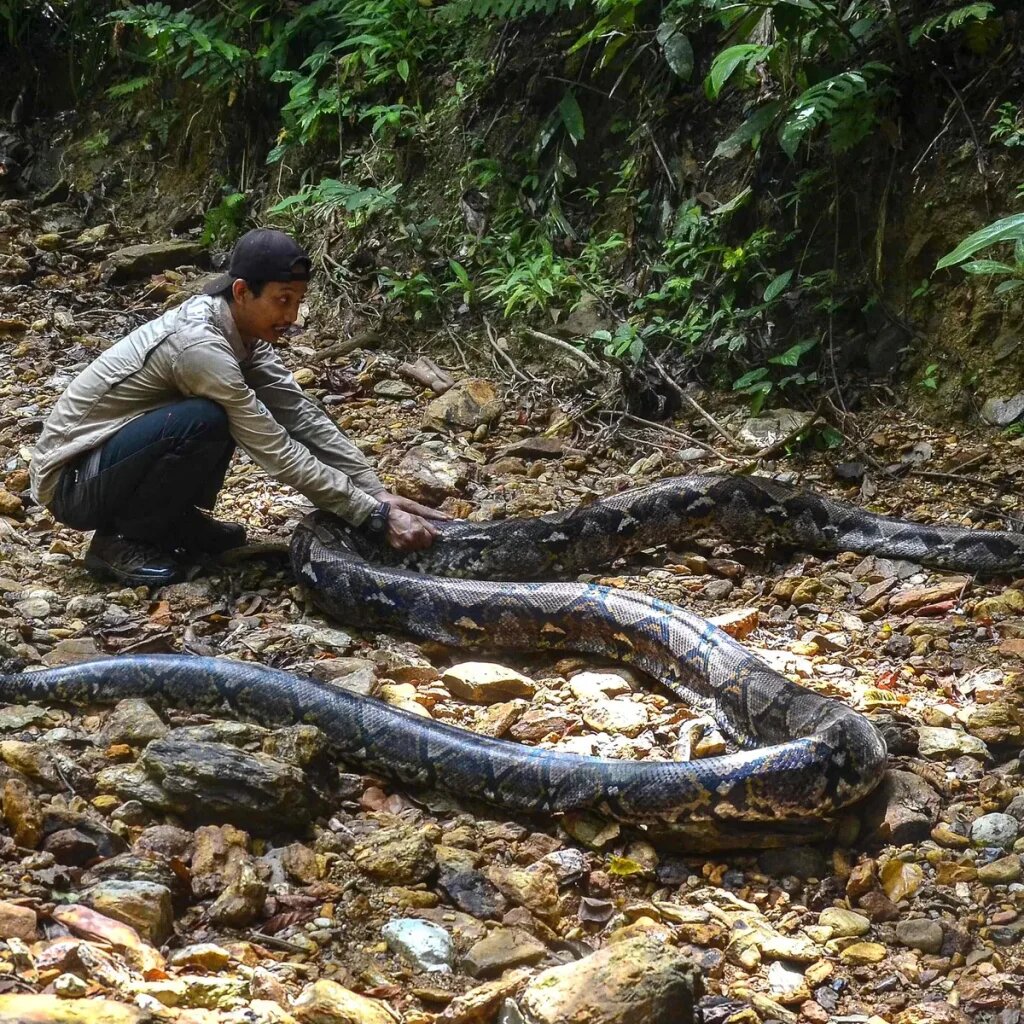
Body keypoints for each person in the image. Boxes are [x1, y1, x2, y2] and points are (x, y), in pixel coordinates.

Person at [30, 228, 447, 586]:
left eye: (299, 301)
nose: (292, 315)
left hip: (107, 464)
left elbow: (300, 414)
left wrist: (374, 490)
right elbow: (275, 449)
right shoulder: (199, 347)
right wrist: (371, 516)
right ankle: (119, 541)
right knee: (206, 419)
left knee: (214, 416)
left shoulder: (244, 336)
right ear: (242, 292)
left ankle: (170, 521)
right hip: (71, 482)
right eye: (283, 300)